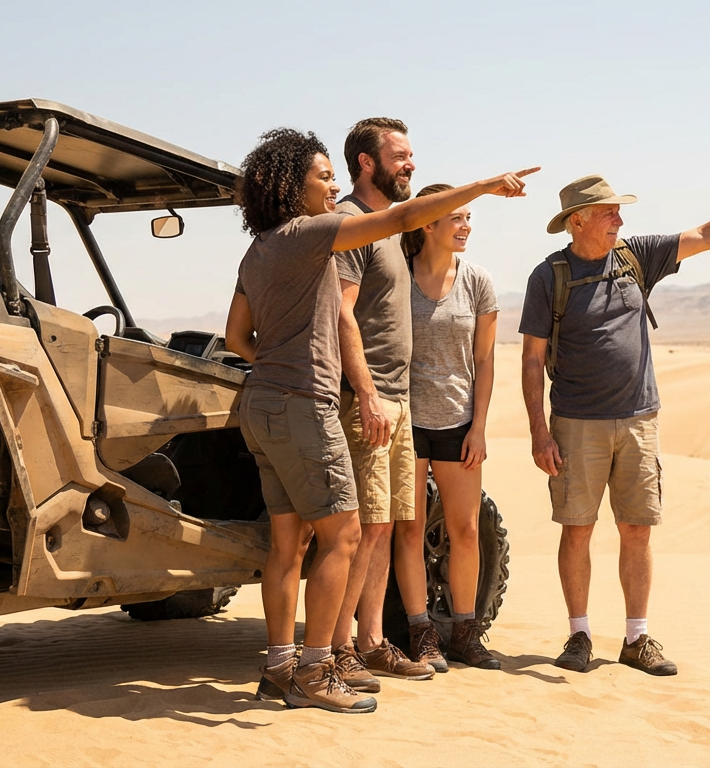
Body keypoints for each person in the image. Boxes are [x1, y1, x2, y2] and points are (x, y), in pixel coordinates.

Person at [223, 125, 535, 713]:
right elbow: (400, 219)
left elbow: (236, 337)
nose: (332, 184)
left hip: (261, 402)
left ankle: (279, 668)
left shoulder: (258, 247)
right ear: (294, 186)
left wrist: (278, 362)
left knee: (288, 545)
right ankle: (318, 670)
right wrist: (486, 186)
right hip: (304, 403)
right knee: (344, 535)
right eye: (322, 176)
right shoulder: (311, 233)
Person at [519, 174, 710, 676]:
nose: (621, 219)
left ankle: (636, 638)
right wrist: (538, 432)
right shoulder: (548, 277)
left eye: (619, 210)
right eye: (609, 211)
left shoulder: (636, 257)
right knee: (578, 530)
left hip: (639, 421)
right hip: (576, 424)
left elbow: (705, 235)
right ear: (578, 221)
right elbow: (532, 360)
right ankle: (579, 635)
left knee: (637, 529)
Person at [328, 118, 434, 692]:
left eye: (411, 154)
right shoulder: (352, 224)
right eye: (400, 156)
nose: (410, 164)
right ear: (367, 163)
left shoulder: (391, 227)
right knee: (361, 527)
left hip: (400, 400)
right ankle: (340, 648)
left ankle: (371, 642)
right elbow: (343, 313)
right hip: (364, 401)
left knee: (386, 526)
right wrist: (367, 395)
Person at [396, 183, 501, 670]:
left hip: (459, 423)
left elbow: (484, 359)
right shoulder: (398, 278)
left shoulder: (478, 281)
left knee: (465, 529)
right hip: (406, 422)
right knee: (410, 530)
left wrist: (478, 427)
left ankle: (465, 632)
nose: (465, 226)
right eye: (455, 218)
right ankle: (421, 634)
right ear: (428, 224)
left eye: (468, 218)